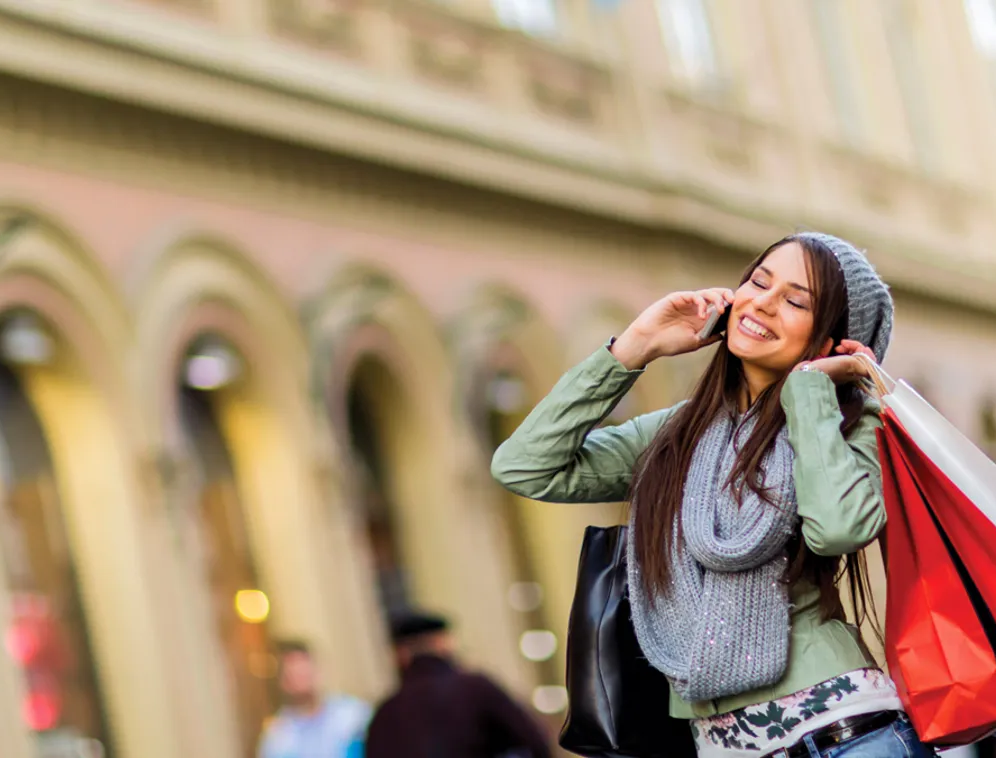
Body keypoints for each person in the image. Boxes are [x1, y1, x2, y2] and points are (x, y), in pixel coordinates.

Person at [493, 232, 930, 757]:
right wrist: (635, 346)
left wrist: (810, 389)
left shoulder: (853, 425)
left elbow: (837, 528)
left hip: (844, 737)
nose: (763, 303)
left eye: (795, 301)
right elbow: (526, 466)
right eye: (758, 281)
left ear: (833, 339)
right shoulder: (678, 434)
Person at [364, 611, 552, 758]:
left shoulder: (386, 713)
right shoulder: (476, 689)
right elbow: (535, 741)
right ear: (442, 643)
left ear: (400, 655)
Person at [258, 640, 371, 758]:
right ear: (283, 682)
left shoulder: (353, 713)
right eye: (294, 672)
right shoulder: (279, 737)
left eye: (305, 667)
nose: (303, 674)